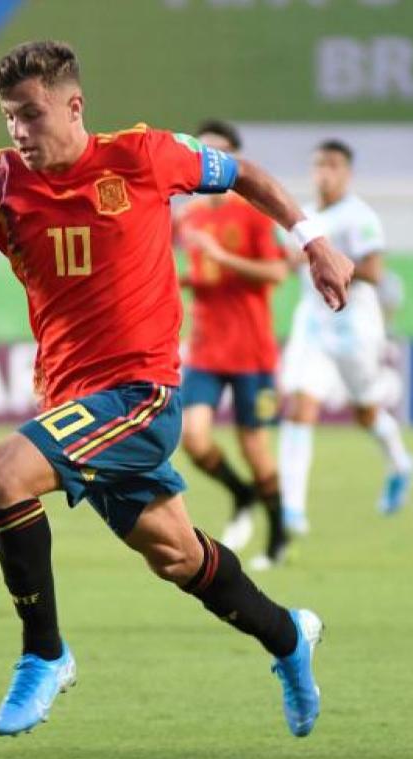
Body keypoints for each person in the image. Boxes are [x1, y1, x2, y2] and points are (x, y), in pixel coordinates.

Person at [0, 40, 353, 739]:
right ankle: (288, 636)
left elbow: (244, 174)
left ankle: (44, 654)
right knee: (178, 556)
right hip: (72, 403)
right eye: (8, 118)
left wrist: (314, 241)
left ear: (73, 105)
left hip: (141, 395)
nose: (19, 131)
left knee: (3, 475)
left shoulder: (142, 156)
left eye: (31, 114)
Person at [279, 140, 413, 531]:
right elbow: (291, 266)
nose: (324, 171)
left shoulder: (359, 216)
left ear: (347, 172)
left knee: (365, 411)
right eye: (319, 164)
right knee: (299, 407)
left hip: (354, 326)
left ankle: (401, 463)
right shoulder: (305, 218)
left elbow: (375, 270)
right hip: (313, 324)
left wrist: (331, 258)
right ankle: (292, 510)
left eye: (333, 165)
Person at [176, 119, 289, 570]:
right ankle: (241, 494)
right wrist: (182, 279)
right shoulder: (190, 218)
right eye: (201, 151)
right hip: (206, 348)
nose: (208, 160)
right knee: (193, 438)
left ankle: (278, 534)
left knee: (255, 447)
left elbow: (278, 274)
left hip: (252, 351)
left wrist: (223, 258)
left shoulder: (255, 212)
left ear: (233, 158)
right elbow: (204, 277)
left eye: (218, 151)